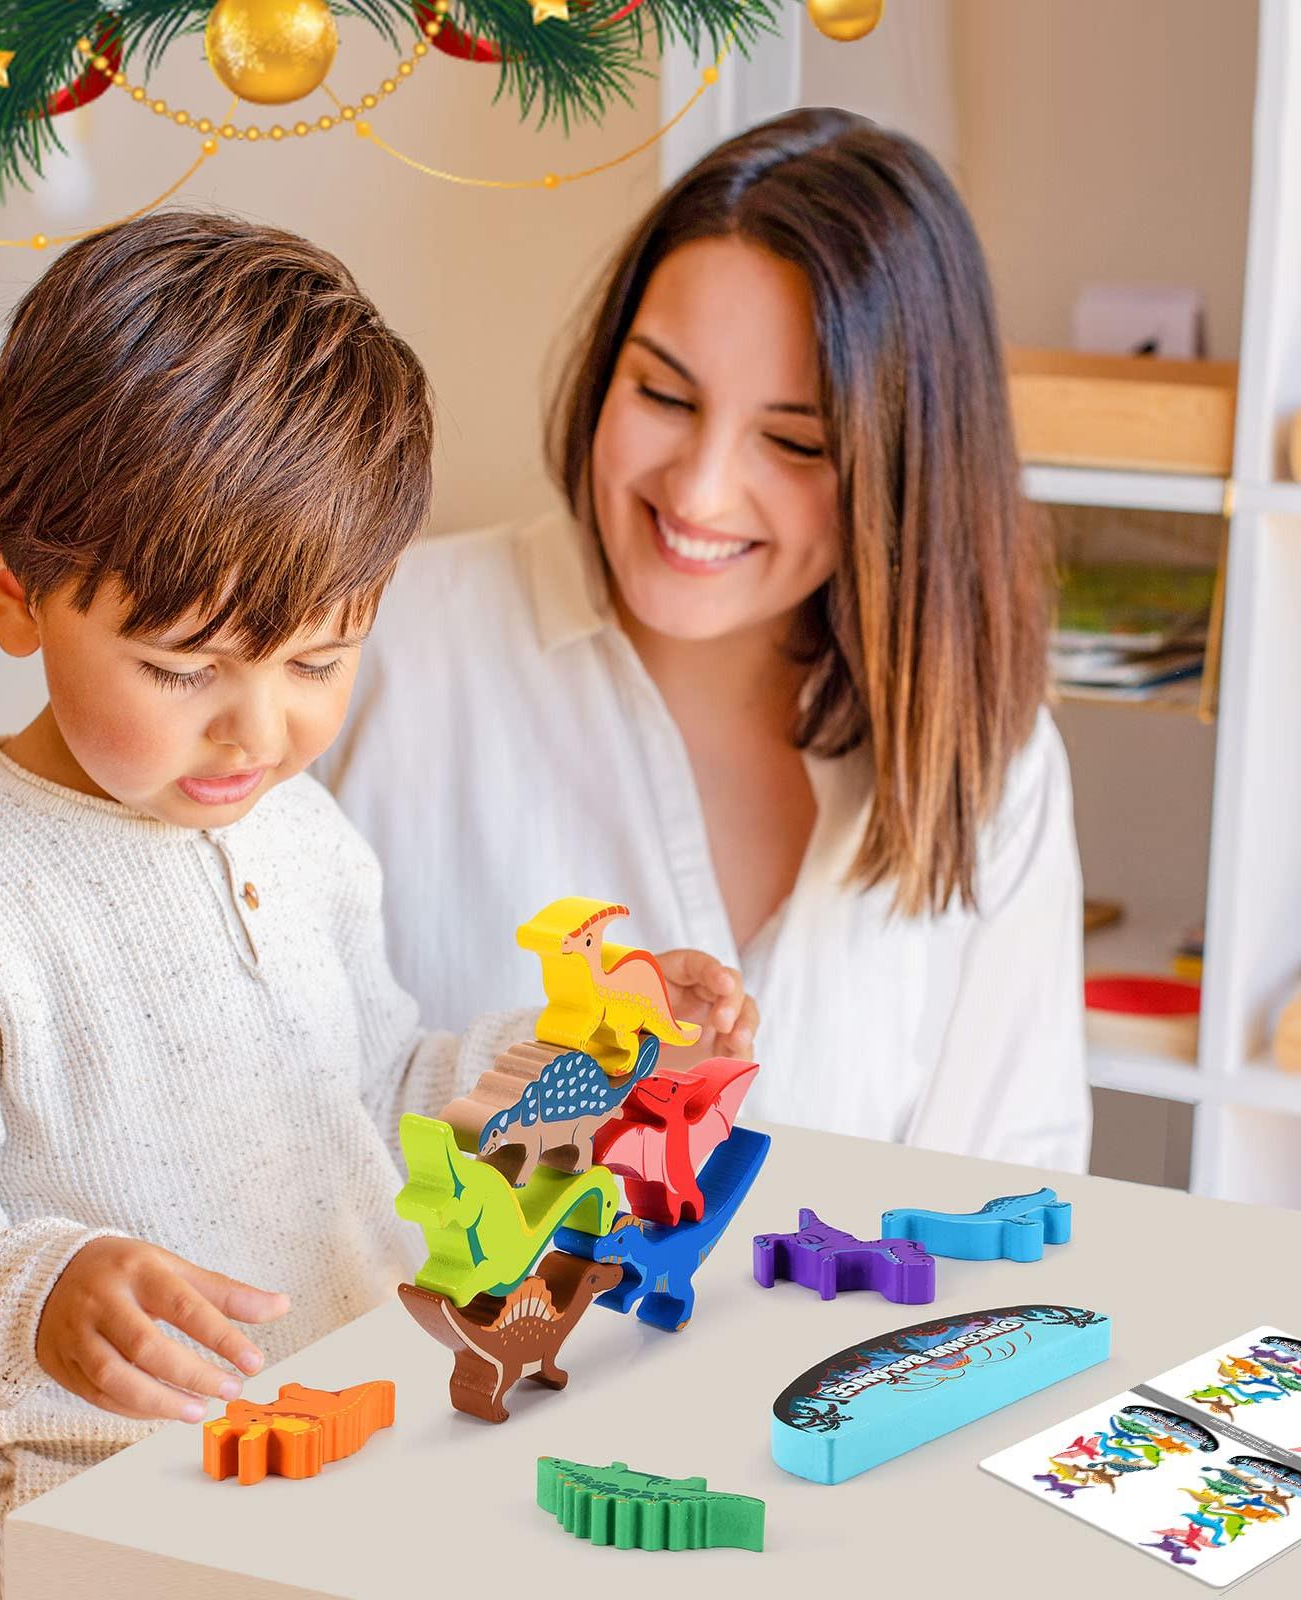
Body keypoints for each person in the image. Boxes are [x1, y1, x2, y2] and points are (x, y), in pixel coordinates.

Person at [0, 210, 758, 1600]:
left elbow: (371, 1087)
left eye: (321, 657)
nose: (256, 732)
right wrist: (40, 1298)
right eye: (184, 668)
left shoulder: (299, 828)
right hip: (114, 1520)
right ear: (13, 590)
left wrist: (587, 1065)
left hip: (370, 1446)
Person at [323, 108, 1090, 1171]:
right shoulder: (376, 646)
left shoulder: (990, 759)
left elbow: (1013, 1182)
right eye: (663, 393)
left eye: (792, 440)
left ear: (904, 469)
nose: (699, 489)